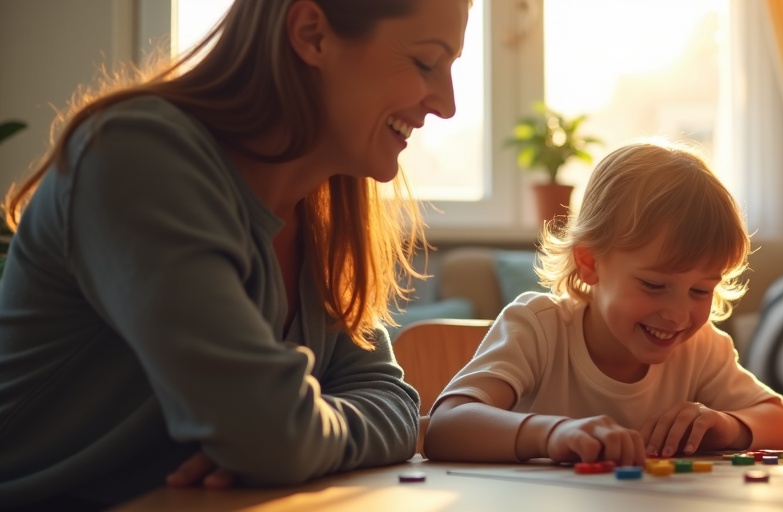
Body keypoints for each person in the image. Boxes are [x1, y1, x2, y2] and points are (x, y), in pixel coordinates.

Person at [0, 0, 469, 507]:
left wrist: (295, 434)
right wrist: (276, 435)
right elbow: (270, 436)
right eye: (426, 63)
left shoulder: (317, 211)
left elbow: (394, 402)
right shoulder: (138, 155)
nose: (446, 105)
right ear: (312, 34)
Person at [424, 142, 783, 466]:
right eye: (655, 285)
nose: (678, 314)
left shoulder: (700, 347)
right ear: (590, 263)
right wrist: (551, 432)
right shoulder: (538, 327)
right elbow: (446, 426)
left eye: (701, 291)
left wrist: (725, 426)